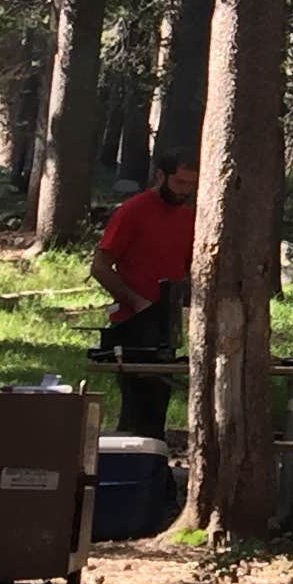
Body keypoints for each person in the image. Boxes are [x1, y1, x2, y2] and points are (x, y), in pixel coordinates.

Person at [92, 151, 197, 434]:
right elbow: (100, 267)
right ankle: (129, 467)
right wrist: (137, 302)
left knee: (158, 406)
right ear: (160, 176)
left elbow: (186, 268)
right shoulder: (133, 211)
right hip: (133, 325)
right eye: (179, 183)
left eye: (190, 184)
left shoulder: (187, 218)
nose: (184, 191)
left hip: (167, 323)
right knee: (137, 407)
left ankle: (152, 469)